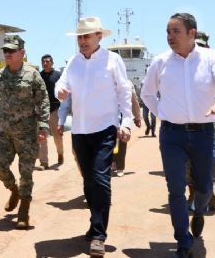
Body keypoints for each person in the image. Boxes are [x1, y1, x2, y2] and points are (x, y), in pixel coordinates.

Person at [141, 13, 215, 258]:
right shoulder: (160, 62)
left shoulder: (211, 57)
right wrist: (162, 113)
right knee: (175, 189)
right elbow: (147, 94)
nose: (170, 37)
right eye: (168, 32)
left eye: (176, 31)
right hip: (172, 135)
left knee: (205, 184)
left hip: (204, 133)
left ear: (192, 33)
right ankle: (183, 240)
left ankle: (200, 210)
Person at [55, 17, 134, 257]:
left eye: (86, 36)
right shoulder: (73, 62)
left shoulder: (113, 60)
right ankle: (94, 222)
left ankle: (99, 235)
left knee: (101, 180)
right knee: (89, 182)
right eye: (80, 37)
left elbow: (124, 91)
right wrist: (59, 90)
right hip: (80, 131)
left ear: (99, 37)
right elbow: (62, 83)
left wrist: (127, 122)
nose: (82, 41)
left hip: (105, 129)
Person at [0, 35, 50, 229]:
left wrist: (43, 126)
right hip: (5, 132)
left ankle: (24, 209)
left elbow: (43, 101)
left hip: (27, 134)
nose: (7, 54)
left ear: (22, 53)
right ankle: (13, 190)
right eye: (5, 51)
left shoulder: (32, 75)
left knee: (26, 173)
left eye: (11, 51)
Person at [185, 31, 215, 212]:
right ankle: (193, 193)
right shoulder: (182, 64)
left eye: (202, 44)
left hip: (210, 123)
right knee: (188, 161)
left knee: (212, 159)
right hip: (185, 124)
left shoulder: (212, 64)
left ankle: (208, 192)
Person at [37, 54, 63, 170]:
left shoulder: (58, 75)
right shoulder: (38, 76)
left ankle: (60, 153)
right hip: (42, 110)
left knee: (57, 136)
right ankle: (44, 162)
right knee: (42, 136)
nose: (45, 63)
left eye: (47, 61)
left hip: (55, 110)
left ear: (52, 63)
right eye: (43, 62)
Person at [112, 85, 142, 177]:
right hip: (109, 116)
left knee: (122, 140)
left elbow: (134, 101)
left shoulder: (128, 84)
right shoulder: (106, 80)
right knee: (110, 140)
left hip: (124, 116)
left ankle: (120, 167)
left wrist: (137, 117)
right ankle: (113, 161)